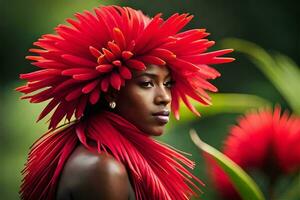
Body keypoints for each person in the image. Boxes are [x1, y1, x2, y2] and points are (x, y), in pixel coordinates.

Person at [17, 5, 234, 200]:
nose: (165, 97)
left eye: (168, 84)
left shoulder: (106, 162)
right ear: (111, 93)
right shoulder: (103, 170)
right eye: (147, 84)